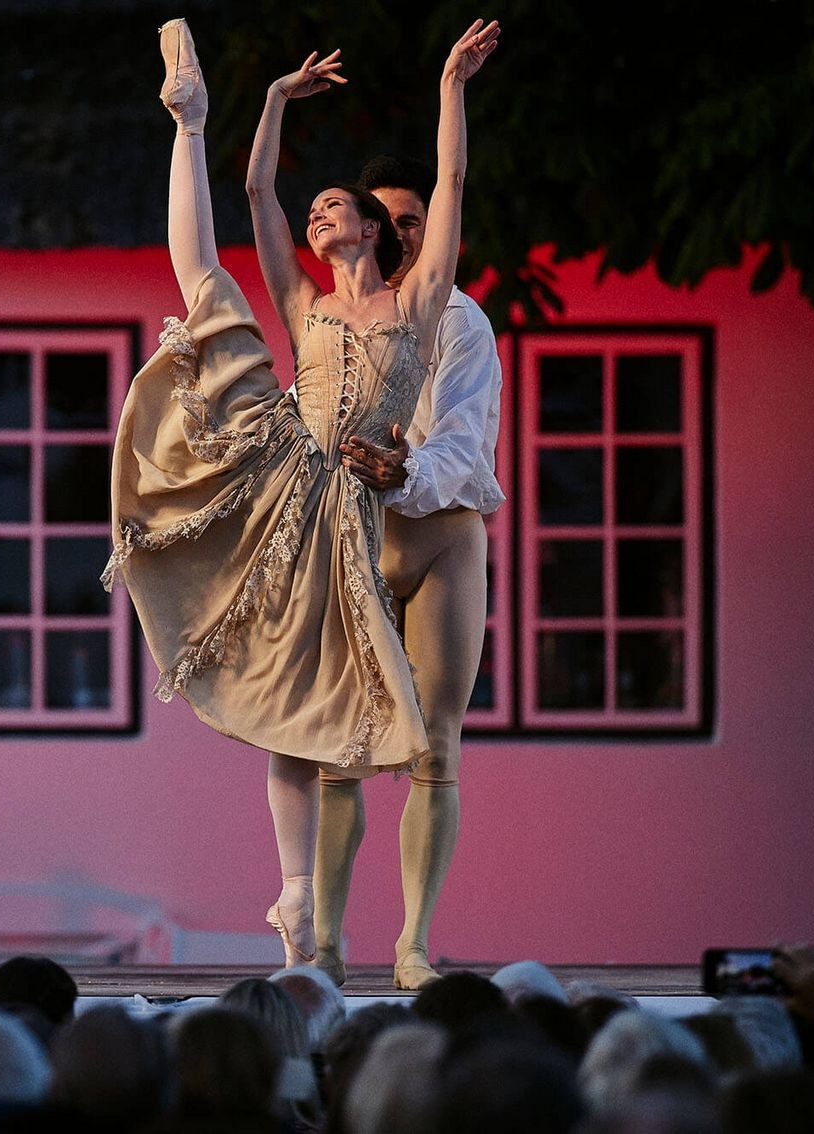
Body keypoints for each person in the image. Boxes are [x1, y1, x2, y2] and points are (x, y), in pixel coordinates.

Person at [106, 17, 499, 971]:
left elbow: (449, 189)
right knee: (304, 711)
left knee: (415, 740)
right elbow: (257, 194)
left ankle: (395, 937)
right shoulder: (304, 303)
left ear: (373, 228)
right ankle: (303, 908)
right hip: (299, 483)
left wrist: (451, 84)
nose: (319, 215)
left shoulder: (421, 308)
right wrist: (273, 101)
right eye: (315, 209)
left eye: (337, 208)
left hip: (381, 502)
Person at [312, 153, 505, 990]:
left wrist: (407, 473)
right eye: (384, 221)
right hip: (358, 538)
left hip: (442, 536)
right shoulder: (330, 320)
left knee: (437, 744)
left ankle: (413, 945)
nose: (399, 235)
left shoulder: (460, 319)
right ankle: (323, 942)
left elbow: (464, 443)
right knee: (335, 749)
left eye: (413, 222)